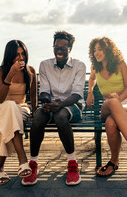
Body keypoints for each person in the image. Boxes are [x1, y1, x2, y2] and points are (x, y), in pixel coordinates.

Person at [22, 31, 86, 186]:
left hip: (72, 105)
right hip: (51, 104)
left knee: (60, 116)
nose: (59, 50)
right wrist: (47, 101)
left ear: (70, 49)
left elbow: (77, 94)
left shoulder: (79, 65)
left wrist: (60, 105)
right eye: (56, 47)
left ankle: (72, 164)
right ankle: (33, 164)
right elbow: (43, 90)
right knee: (37, 118)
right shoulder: (45, 65)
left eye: (63, 48)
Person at [86, 37, 127, 178]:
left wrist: (119, 100)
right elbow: (91, 79)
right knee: (112, 103)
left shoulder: (120, 64)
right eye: (94, 50)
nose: (97, 52)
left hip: (126, 102)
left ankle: (113, 162)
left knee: (110, 123)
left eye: (100, 49)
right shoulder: (95, 67)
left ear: (108, 50)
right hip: (107, 105)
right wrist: (90, 92)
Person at [0, 40, 37, 185]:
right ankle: (22, 159)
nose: (20, 58)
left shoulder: (30, 71)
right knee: (9, 106)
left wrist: (35, 114)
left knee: (1, 129)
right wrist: (10, 74)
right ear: (9, 55)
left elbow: (33, 96)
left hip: (21, 109)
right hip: (0, 107)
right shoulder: (0, 70)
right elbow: (0, 98)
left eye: (23, 54)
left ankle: (0, 168)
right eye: (16, 55)